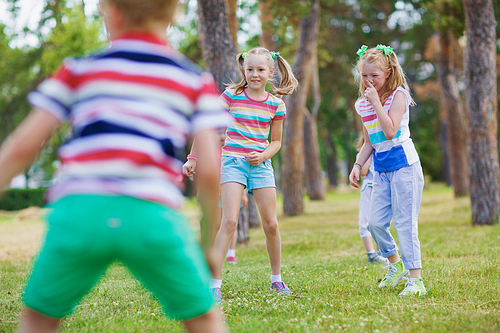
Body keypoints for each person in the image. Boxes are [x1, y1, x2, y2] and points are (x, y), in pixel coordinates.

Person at [2, 1, 229, 332]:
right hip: (151, 216)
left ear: (112, 12)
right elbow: (209, 171)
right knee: (202, 317)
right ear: (171, 15)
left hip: (80, 212)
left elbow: (22, 147)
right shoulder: (193, 79)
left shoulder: (78, 68)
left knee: (40, 316)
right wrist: (208, 245)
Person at [185, 47, 298, 302]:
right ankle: (214, 284)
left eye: (260, 70)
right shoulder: (231, 96)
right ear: (243, 70)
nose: (254, 74)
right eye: (249, 69)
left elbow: (276, 142)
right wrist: (194, 158)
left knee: (271, 224)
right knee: (230, 221)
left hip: (261, 165)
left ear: (271, 72)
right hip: (233, 162)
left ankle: (276, 279)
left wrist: (263, 156)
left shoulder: (276, 105)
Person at [349, 44, 427, 297]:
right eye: (365, 75)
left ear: (389, 73)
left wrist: (376, 103)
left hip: (405, 166)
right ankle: (396, 264)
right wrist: (358, 164)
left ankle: (416, 280)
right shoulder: (363, 104)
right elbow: (370, 140)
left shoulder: (399, 95)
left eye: (375, 75)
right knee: (374, 224)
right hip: (381, 169)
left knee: (405, 223)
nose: (369, 81)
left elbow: (391, 130)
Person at [184, 128, 247, 265]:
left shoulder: (232, 152)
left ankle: (231, 253)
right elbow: (205, 175)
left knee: (231, 222)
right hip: (214, 192)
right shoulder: (210, 152)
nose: (223, 136)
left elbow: (240, 175)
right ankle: (210, 250)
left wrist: (244, 193)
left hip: (230, 190)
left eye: (225, 133)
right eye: (220, 134)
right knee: (216, 222)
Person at [355, 137, 389, 265]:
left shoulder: (383, 151)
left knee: (380, 220)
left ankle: (381, 252)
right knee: (365, 221)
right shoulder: (362, 155)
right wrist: (367, 154)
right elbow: (363, 172)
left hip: (380, 187)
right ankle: (371, 254)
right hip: (369, 188)